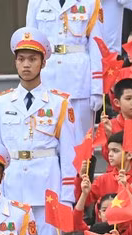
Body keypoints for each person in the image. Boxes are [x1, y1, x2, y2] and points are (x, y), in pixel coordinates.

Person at [0, 28, 77, 235]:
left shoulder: (60, 103)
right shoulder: (0, 103)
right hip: (13, 186)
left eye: (32, 59)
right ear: (15, 62)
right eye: (21, 59)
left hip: (47, 186)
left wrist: (67, 196)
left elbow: (70, 154)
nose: (26, 65)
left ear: (43, 63)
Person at [26, 0, 103, 135]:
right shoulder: (36, 2)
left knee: (80, 138)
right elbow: (30, 44)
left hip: (79, 79)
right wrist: (30, 82)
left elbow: (96, 45)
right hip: (46, 75)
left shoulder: (90, 3)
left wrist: (97, 89)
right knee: (46, 134)